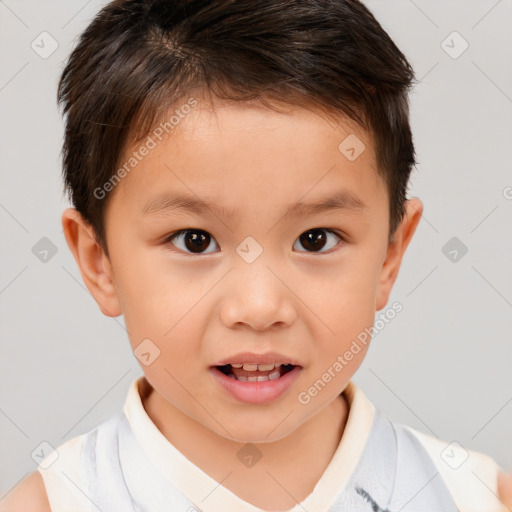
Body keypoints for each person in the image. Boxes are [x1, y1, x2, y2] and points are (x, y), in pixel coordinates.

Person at [2, 0, 511, 510]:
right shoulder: (51, 503)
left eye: (316, 239)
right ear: (100, 262)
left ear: (389, 255)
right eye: (194, 240)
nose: (260, 307)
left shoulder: (474, 497)